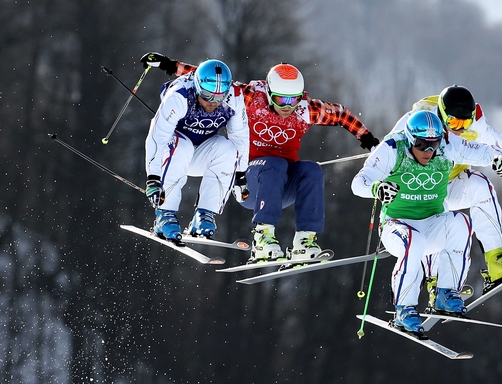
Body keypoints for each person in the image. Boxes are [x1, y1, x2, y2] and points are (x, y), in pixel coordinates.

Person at [142, 55, 379, 262]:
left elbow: (341, 114)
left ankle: (304, 242)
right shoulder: (251, 98)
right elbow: (211, 80)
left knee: (311, 170)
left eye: (293, 100)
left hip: (280, 187)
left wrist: (367, 138)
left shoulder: (305, 110)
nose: (287, 107)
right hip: (251, 183)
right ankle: (263, 238)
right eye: (280, 100)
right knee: (273, 164)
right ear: (268, 93)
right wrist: (169, 65)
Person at [351, 111, 502, 335]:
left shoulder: (446, 145)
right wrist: (376, 188)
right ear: (409, 139)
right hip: (396, 226)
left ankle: (445, 293)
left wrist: (497, 159)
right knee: (414, 241)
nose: (428, 151)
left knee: (461, 223)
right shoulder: (392, 148)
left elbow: (479, 151)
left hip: (432, 222)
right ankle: (404, 308)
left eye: (433, 144)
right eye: (421, 144)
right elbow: (358, 183)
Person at [389, 85, 502, 296]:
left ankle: (496, 261)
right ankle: (435, 281)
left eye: (465, 122)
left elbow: (492, 139)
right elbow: (388, 146)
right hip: (422, 188)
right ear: (442, 114)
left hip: (452, 182)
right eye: (453, 122)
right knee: (435, 216)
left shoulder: (475, 119)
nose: (459, 127)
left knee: (481, 186)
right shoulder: (418, 118)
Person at [140, 54, 249, 244]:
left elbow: (240, 136)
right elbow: (158, 137)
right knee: (182, 146)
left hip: (202, 155)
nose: (213, 102)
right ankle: (165, 214)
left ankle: (204, 215)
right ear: (198, 87)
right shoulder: (180, 95)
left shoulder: (235, 97)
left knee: (228, 148)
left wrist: (241, 175)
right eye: (207, 96)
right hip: (172, 153)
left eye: (219, 97)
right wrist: (153, 178)